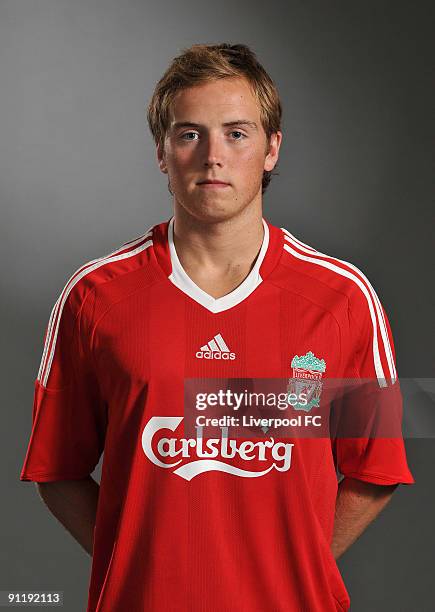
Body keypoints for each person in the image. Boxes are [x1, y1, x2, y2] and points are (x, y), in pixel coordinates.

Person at [20, 43, 414, 612]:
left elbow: (377, 469)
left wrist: (288, 565)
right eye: (189, 134)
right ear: (161, 151)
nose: (213, 157)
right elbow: (57, 469)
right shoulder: (94, 297)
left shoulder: (343, 298)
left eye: (236, 133)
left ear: (271, 148)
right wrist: (139, 563)